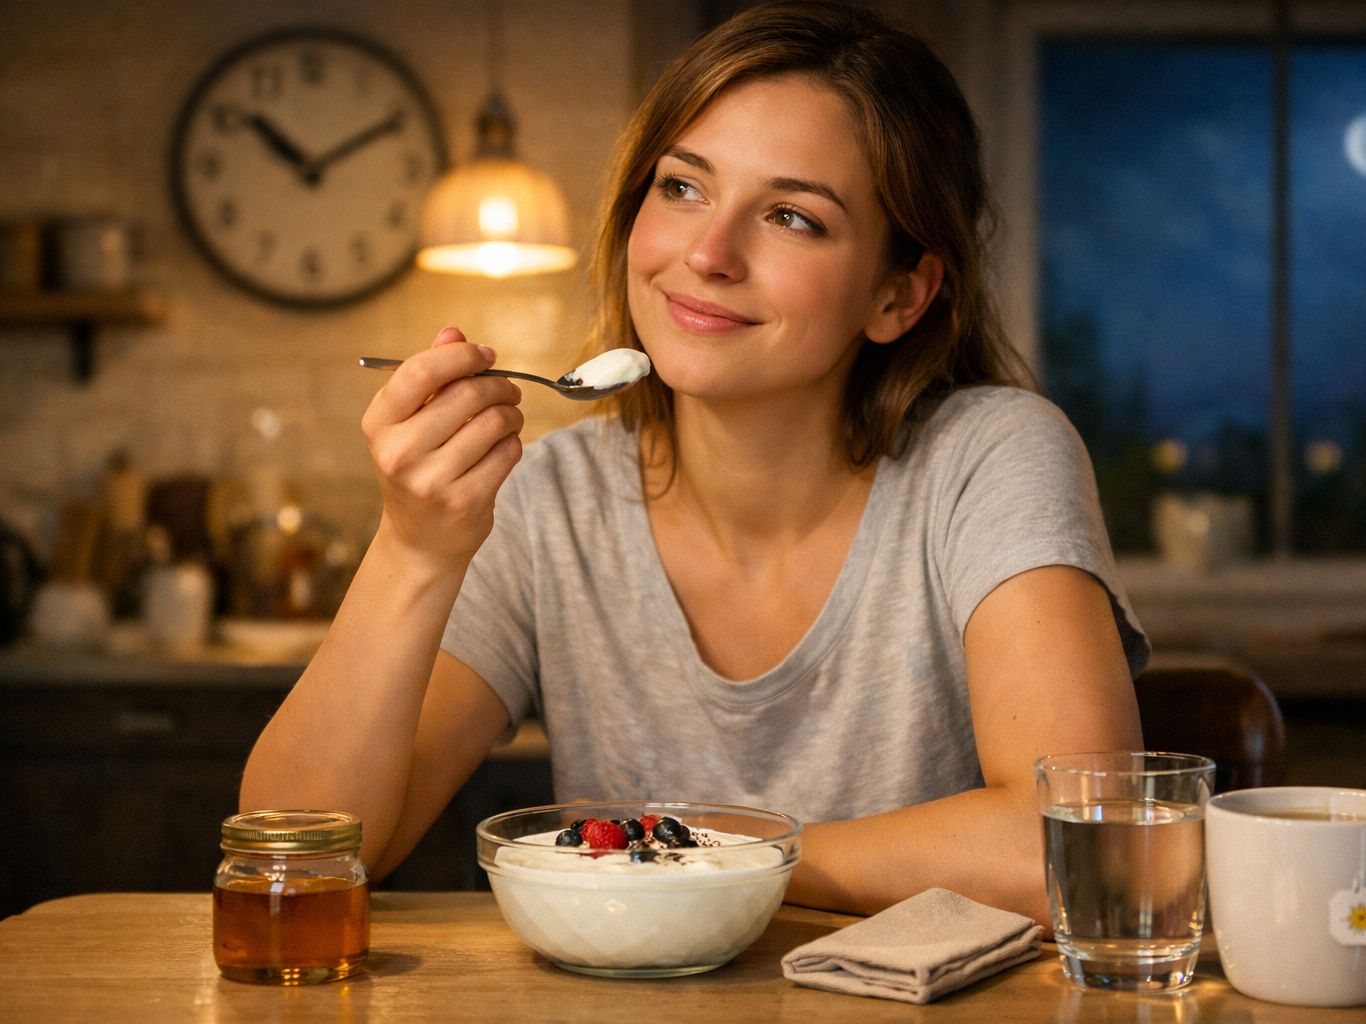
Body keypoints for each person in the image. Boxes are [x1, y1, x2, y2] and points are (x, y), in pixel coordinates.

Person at [240, 0, 1146, 921]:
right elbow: (300, 852)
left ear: (899, 294)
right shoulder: (551, 502)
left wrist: (699, 860)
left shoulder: (988, 459)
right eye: (682, 188)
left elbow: (1084, 842)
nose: (707, 253)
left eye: (791, 216)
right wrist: (414, 548)